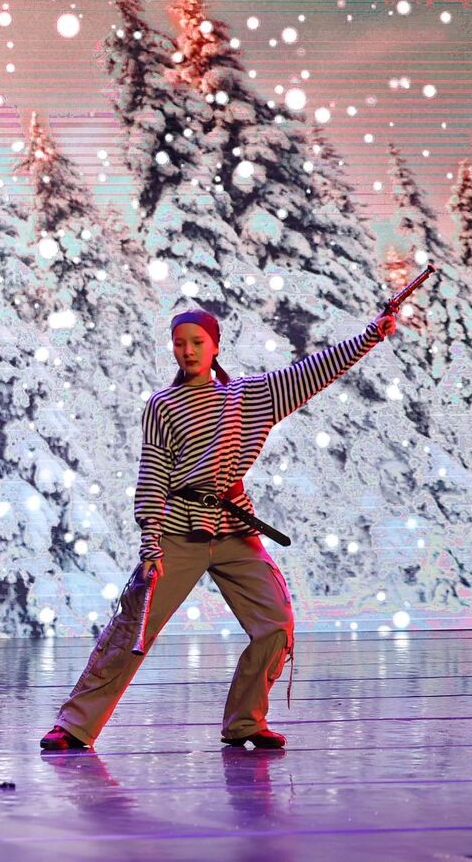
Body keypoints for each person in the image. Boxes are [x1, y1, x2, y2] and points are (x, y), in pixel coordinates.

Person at [40, 307, 399, 752]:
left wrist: (369, 336)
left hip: (232, 529)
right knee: (134, 626)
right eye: (179, 344)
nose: (188, 351)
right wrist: (150, 541)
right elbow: (153, 475)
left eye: (197, 342)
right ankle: (75, 725)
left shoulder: (249, 396)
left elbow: (312, 372)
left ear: (215, 346)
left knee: (276, 624)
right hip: (178, 530)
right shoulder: (163, 405)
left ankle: (245, 722)